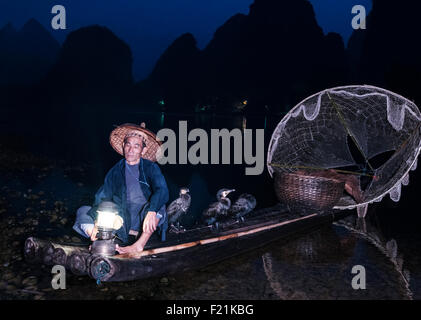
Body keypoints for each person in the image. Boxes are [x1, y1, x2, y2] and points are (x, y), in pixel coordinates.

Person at [72, 123, 169, 254]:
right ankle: (98, 239)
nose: (131, 150)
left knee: (159, 206)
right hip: (122, 221)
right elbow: (102, 197)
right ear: (123, 146)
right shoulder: (115, 171)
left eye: (136, 146)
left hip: (145, 220)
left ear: (143, 150)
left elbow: (162, 190)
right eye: (128, 144)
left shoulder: (150, 168)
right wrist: (96, 222)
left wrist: (152, 211)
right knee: (83, 211)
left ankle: (139, 244)